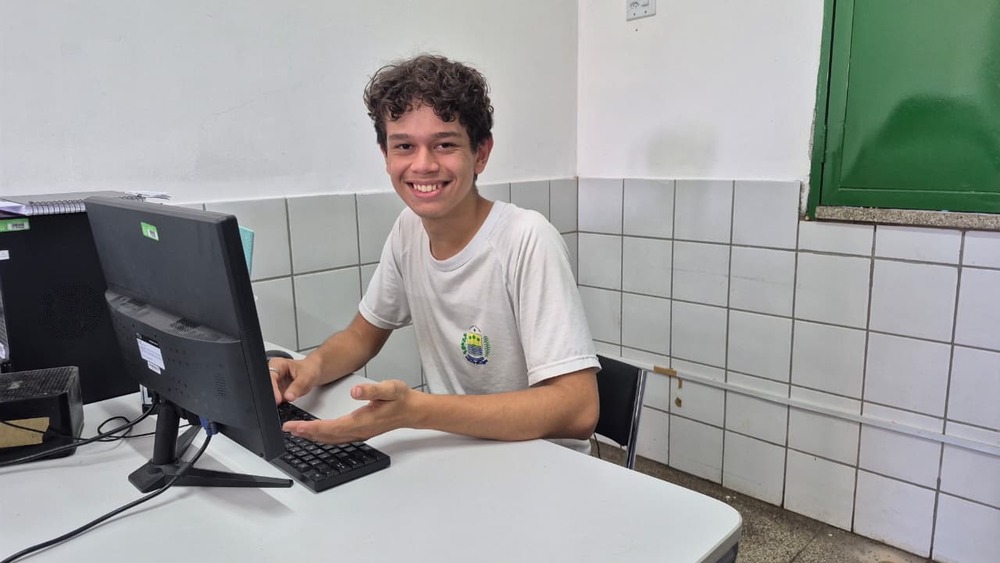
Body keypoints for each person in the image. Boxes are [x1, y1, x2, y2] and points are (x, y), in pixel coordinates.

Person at [269, 54, 600, 452]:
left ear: (480, 153)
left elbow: (579, 409)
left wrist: (416, 411)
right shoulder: (408, 229)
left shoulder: (527, 239)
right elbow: (361, 336)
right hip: (460, 449)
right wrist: (308, 369)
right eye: (404, 146)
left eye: (444, 145)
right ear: (386, 156)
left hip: (542, 461)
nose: (423, 165)